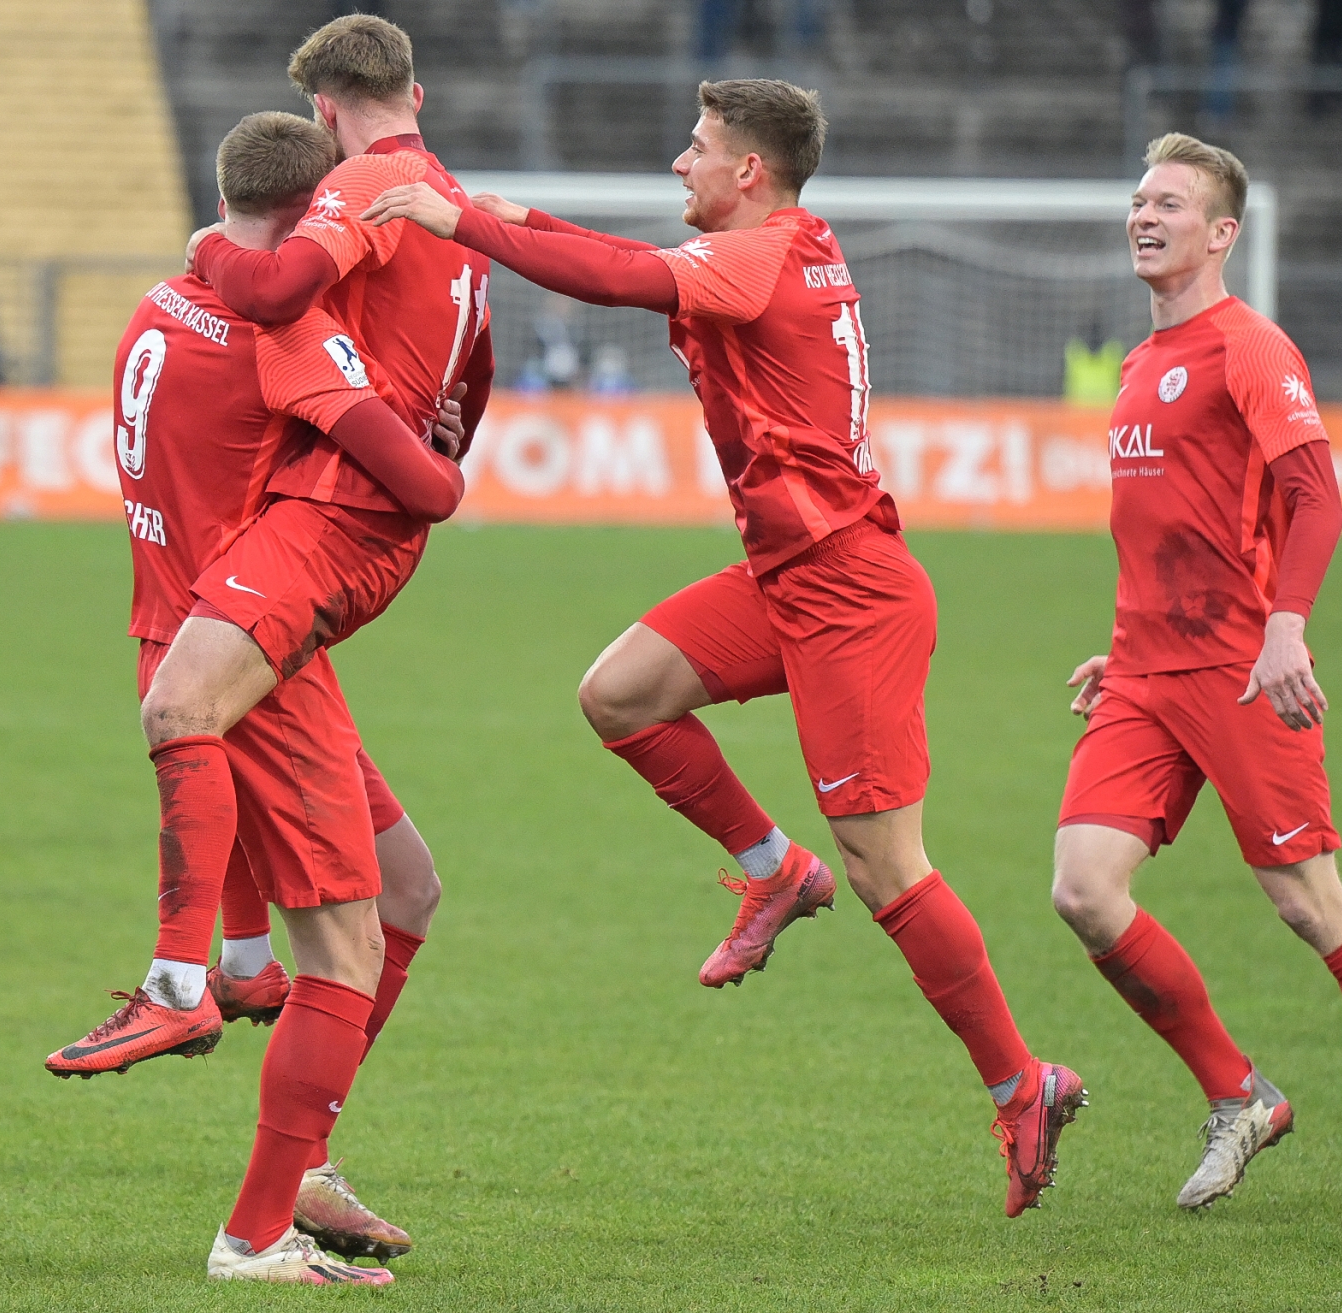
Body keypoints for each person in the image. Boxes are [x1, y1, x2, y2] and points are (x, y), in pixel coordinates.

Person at [362, 78, 1086, 1218]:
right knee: (620, 694)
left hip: (850, 593)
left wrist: (467, 224)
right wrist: (521, 218)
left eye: (696, 147)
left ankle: (1020, 1082)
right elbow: (635, 260)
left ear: (750, 171)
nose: (677, 162)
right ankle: (772, 867)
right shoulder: (772, 250)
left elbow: (624, 279)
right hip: (790, 576)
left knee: (888, 866)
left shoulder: (764, 258)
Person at [40, 110, 471, 1284]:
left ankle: (290, 1119)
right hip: (250, 652)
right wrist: (436, 443)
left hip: (178, 621)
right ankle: (256, 1230)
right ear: (312, 212)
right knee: (346, 946)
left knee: (410, 884)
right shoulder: (280, 329)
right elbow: (424, 486)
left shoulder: (165, 299)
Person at [1050, 132, 1342, 1220]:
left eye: (1170, 203)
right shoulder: (1141, 364)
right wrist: (1127, 642)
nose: (1144, 216)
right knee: (1084, 890)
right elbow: (1170, 525)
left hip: (1243, 669)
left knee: (1306, 898)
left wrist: (1285, 625)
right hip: (1145, 669)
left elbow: (1317, 498)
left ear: (1221, 233)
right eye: (1139, 199)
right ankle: (1239, 1094)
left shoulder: (1251, 347)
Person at [172, 13, 496, 1274]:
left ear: (322, 112)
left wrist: (208, 241)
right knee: (402, 893)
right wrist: (431, 459)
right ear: (419, 90)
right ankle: (291, 1163)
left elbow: (266, 290)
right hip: (371, 535)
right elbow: (474, 383)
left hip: (322, 527)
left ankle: (195, 981)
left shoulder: (357, 190)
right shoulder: (455, 210)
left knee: (184, 713)